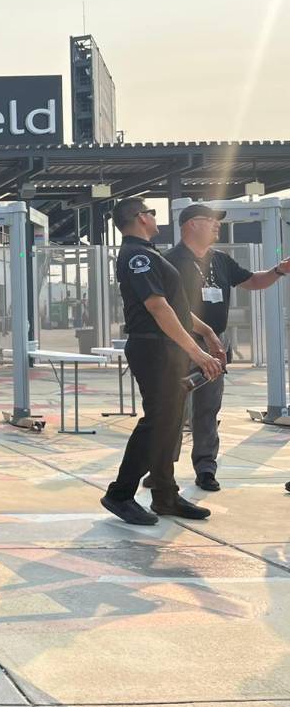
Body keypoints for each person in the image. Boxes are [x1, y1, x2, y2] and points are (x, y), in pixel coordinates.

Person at [100, 197, 223, 526]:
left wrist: (207, 332)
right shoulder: (137, 256)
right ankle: (120, 493)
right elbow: (158, 307)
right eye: (152, 212)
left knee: (168, 423)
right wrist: (197, 352)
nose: (155, 217)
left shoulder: (148, 253)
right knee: (157, 422)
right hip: (153, 348)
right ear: (141, 218)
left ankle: (165, 495)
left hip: (165, 348)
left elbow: (175, 306)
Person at [164, 203, 290, 490]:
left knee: (208, 409)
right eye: (209, 220)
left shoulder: (220, 260)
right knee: (172, 410)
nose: (216, 224)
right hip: (181, 343)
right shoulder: (171, 261)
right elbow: (173, 308)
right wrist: (206, 334)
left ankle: (206, 469)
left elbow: (253, 280)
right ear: (191, 225)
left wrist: (279, 271)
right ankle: (162, 471)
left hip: (215, 344)